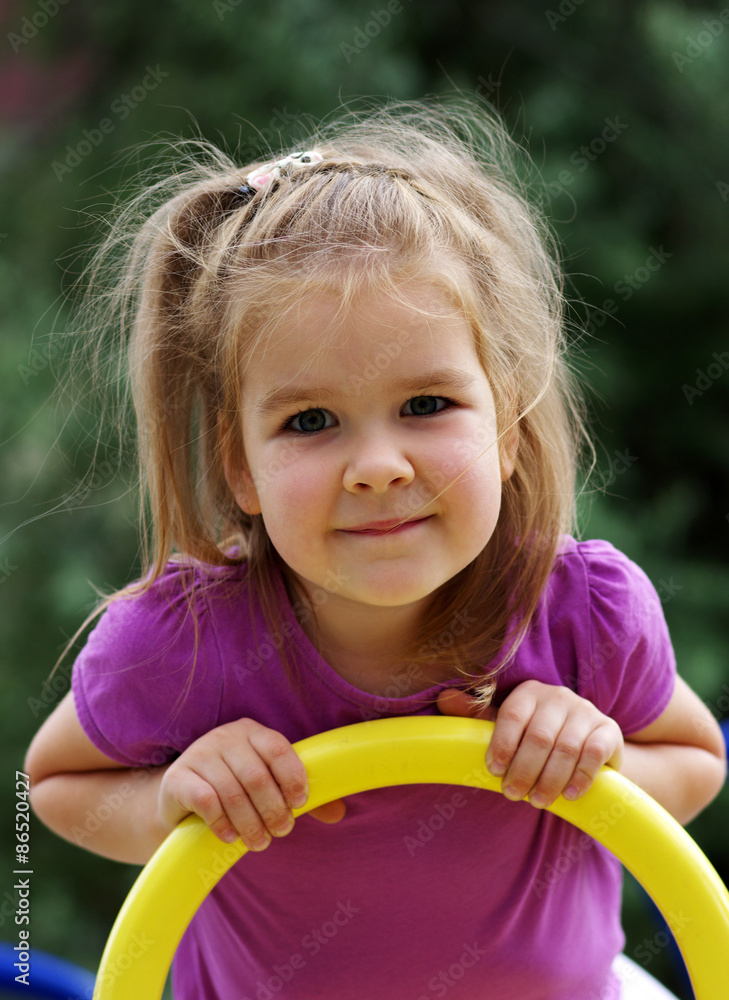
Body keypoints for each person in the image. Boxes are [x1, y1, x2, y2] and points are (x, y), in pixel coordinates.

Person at [25, 100, 725, 1000]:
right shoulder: (183, 644)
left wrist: (604, 767)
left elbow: (698, 762)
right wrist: (169, 803)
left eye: (427, 405)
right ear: (240, 468)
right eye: (310, 421)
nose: (378, 467)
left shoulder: (581, 616)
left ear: (507, 426)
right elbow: (51, 783)